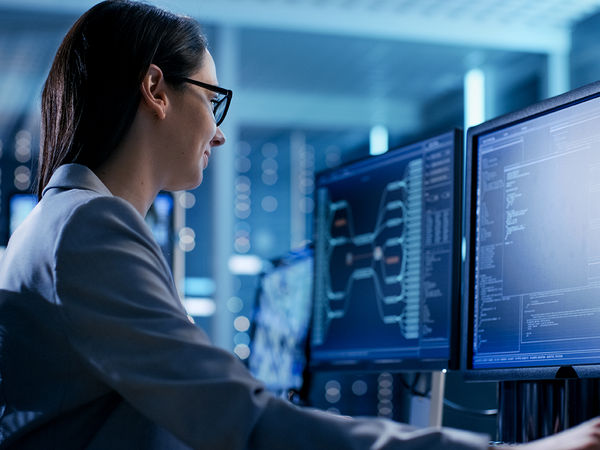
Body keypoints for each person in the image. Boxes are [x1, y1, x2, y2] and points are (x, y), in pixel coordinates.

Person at [0, 1, 600, 449]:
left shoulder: (64, 222)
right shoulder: (89, 228)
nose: (219, 130)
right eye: (213, 99)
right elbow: (242, 419)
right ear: (156, 88)